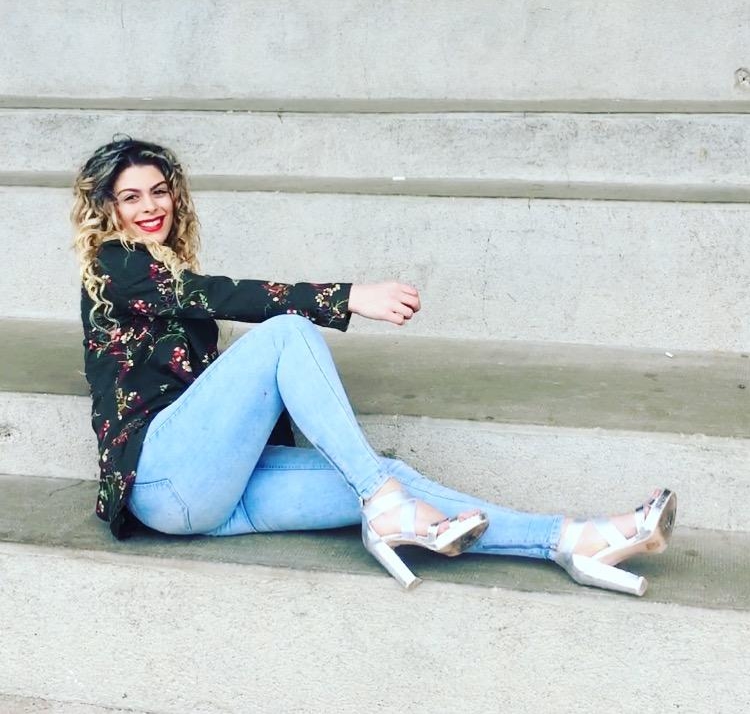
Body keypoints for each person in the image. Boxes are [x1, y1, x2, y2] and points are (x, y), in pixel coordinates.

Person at [71, 138, 677, 596]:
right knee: (286, 335)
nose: (150, 206)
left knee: (385, 475)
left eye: (159, 191)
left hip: (209, 498)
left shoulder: (162, 272)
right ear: (106, 209)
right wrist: (348, 296)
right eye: (131, 196)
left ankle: (569, 540)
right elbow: (223, 295)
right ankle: (385, 505)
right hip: (158, 477)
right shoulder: (113, 263)